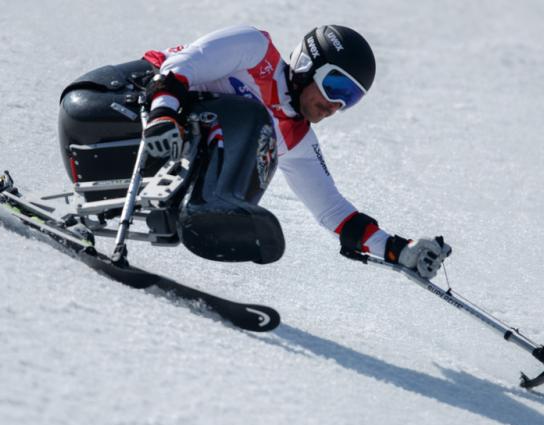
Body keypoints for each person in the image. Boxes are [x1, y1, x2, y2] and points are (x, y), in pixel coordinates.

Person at [139, 24, 451, 279]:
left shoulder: (297, 139)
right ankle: (213, 205)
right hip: (130, 99)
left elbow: (332, 210)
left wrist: (398, 250)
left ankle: (216, 211)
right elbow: (182, 66)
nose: (335, 105)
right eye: (336, 87)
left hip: (166, 155)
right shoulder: (255, 51)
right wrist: (163, 113)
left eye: (349, 99)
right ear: (308, 64)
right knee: (255, 118)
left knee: (266, 137)